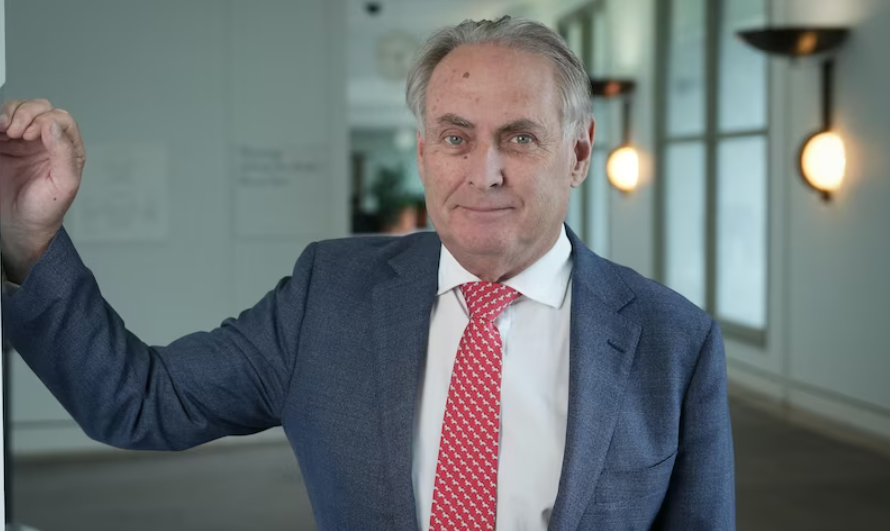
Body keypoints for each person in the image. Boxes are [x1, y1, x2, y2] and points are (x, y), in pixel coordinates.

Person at [0, 16, 735, 531]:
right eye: (456, 137)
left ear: (577, 152)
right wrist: (32, 241)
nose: (485, 172)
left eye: (519, 137)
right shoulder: (330, 294)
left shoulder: (674, 341)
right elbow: (139, 400)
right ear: (423, 153)